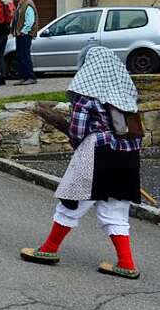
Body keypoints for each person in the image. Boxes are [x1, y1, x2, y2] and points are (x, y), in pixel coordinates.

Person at [20, 47, 143, 279]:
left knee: (72, 200)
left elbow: (77, 130)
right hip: (128, 156)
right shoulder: (127, 94)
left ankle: (49, 249)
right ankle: (126, 263)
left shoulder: (87, 94)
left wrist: (77, 145)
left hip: (97, 153)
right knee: (115, 210)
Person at [12, 0, 38, 85]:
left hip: (24, 35)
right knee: (21, 56)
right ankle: (24, 77)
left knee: (25, 56)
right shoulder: (21, 4)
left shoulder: (28, 4)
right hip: (20, 34)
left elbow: (30, 20)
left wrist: (24, 31)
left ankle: (30, 77)